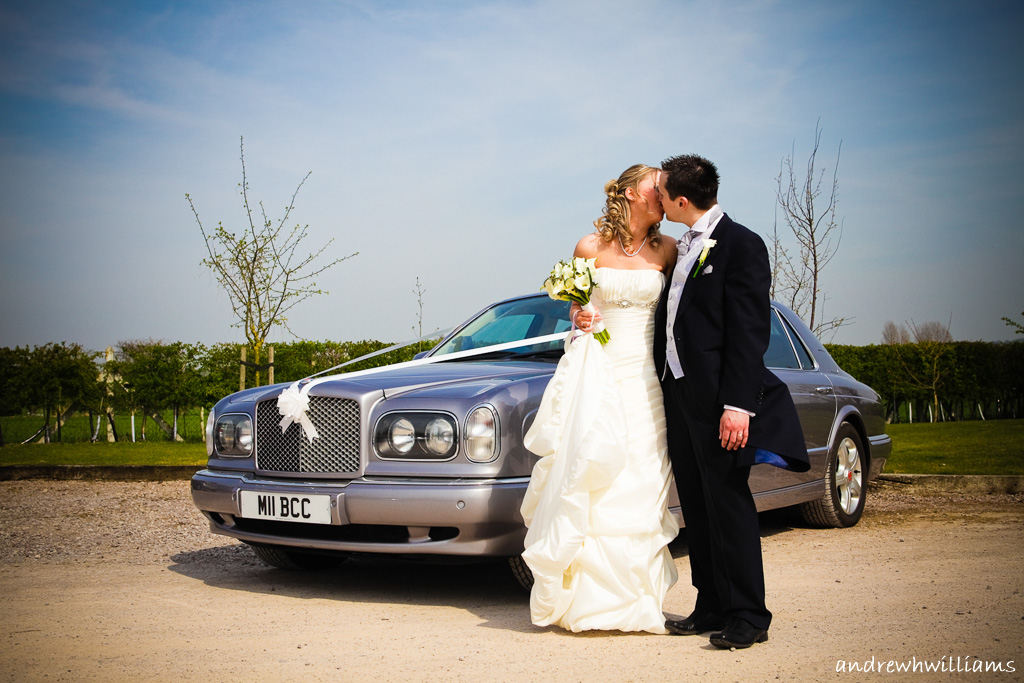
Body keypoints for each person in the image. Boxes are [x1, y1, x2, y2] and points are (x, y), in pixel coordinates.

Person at [652, 154, 810, 649]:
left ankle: (748, 615)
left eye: (661, 193)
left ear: (680, 200)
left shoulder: (742, 245)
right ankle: (711, 604)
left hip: (720, 400)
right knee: (697, 506)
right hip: (678, 394)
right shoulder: (680, 248)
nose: (657, 199)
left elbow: (748, 332)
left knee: (729, 503)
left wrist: (738, 405)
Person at [520, 164, 680, 633]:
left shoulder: (668, 250)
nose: (665, 192)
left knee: (640, 479)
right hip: (598, 371)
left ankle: (638, 603)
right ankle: (583, 600)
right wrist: (579, 313)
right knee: (589, 479)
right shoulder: (588, 247)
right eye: (657, 186)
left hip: (645, 381)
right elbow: (576, 305)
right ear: (631, 193)